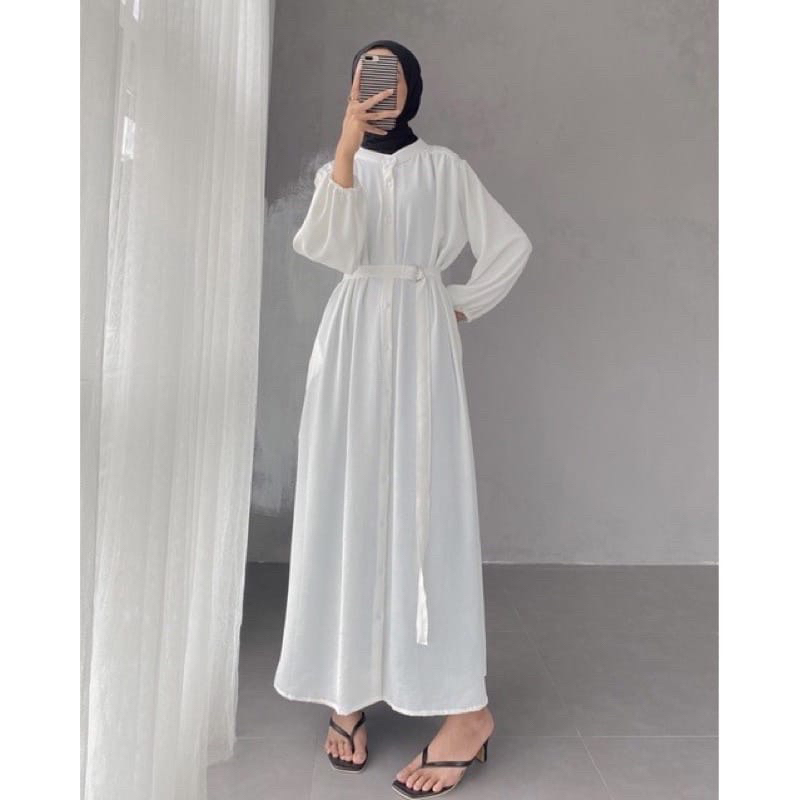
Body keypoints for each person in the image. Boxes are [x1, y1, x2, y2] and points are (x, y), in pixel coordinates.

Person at [273, 39, 532, 797]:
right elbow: (331, 247)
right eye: (367, 73)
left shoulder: (445, 168)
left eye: (391, 76)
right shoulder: (338, 170)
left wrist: (458, 303)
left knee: (427, 508)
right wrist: (345, 148)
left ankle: (466, 713)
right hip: (352, 339)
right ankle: (346, 686)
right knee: (346, 499)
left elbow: (510, 246)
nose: (379, 87)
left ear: (413, 87)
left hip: (421, 336)